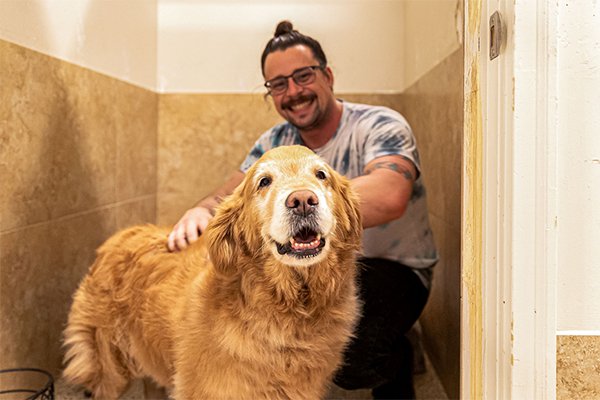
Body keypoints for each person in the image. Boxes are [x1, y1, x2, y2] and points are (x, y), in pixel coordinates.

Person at [167, 21, 438, 400]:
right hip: (309, 261)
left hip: (393, 265)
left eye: (303, 76)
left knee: (357, 351)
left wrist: (315, 199)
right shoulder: (273, 141)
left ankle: (398, 356)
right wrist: (200, 210)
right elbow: (234, 196)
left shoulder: (379, 123)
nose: (293, 92)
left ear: (327, 76)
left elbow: (392, 194)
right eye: (279, 84)